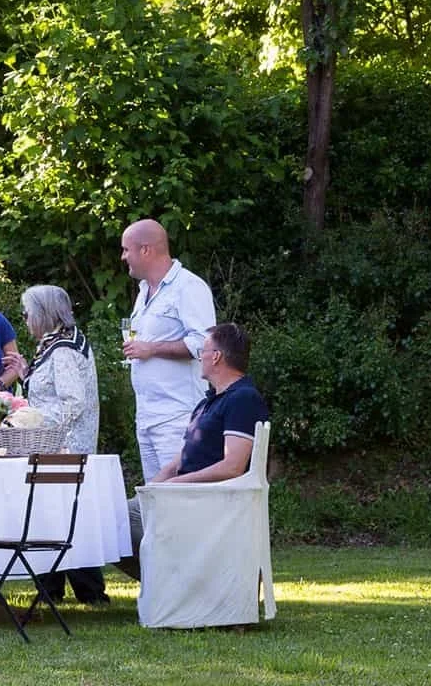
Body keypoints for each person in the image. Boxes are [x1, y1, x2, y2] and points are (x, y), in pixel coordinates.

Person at [123, 322, 269, 564]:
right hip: (185, 496)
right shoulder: (207, 403)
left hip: (206, 501)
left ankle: (179, 580)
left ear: (217, 357)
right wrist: (151, 489)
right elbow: (176, 463)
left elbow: (232, 466)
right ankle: (176, 582)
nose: (200, 357)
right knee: (114, 518)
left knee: (120, 521)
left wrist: (175, 485)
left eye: (203, 351)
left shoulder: (243, 399)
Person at [17, 283, 107, 606]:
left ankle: (85, 590)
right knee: (52, 516)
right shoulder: (54, 343)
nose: (25, 318)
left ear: (42, 314)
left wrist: (30, 419)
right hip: (57, 445)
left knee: (61, 516)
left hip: (66, 446)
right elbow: (46, 388)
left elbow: (72, 401)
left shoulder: (65, 348)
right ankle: (54, 587)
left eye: (28, 312)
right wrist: (22, 373)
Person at [119, 218, 216, 481]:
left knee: (179, 499)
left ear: (146, 250)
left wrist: (152, 349)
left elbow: (204, 344)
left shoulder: (188, 287)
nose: (123, 256)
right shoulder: (143, 291)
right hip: (147, 417)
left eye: (127, 249)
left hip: (178, 418)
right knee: (156, 500)